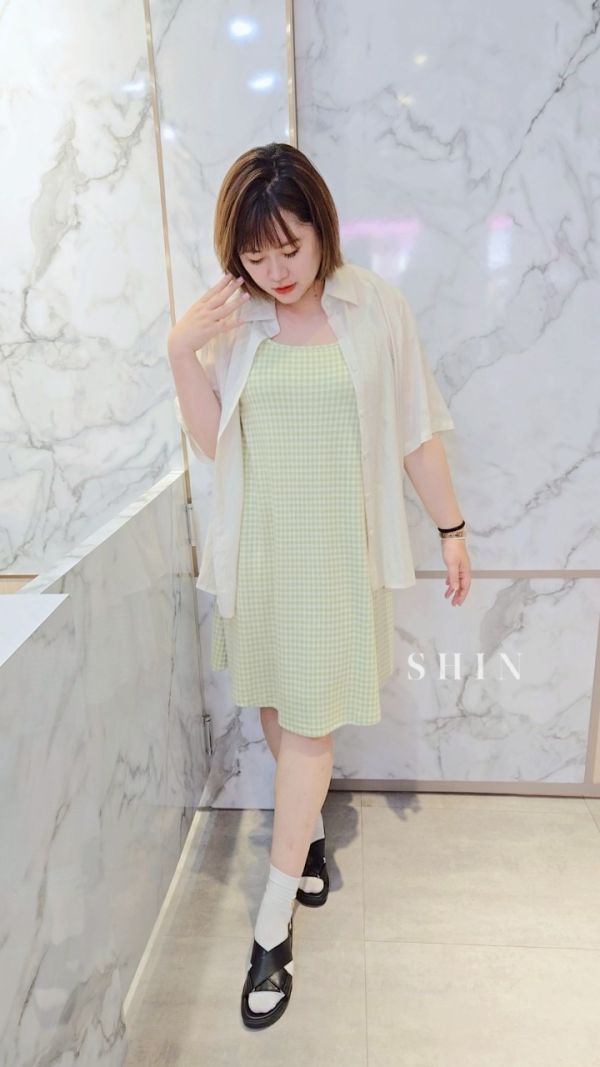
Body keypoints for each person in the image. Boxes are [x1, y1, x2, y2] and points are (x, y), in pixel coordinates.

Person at [167, 142, 471, 1029]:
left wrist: (451, 527)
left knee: (308, 727)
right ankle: (303, 843)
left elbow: (416, 430)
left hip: (338, 560)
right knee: (277, 707)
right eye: (255, 255)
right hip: (263, 555)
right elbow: (216, 445)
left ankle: (271, 926)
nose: (276, 271)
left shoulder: (374, 307)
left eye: (290, 248)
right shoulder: (235, 319)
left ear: (321, 229)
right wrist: (182, 350)